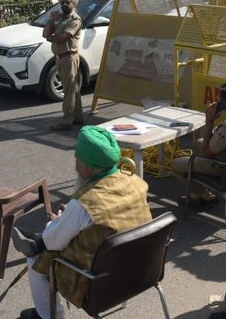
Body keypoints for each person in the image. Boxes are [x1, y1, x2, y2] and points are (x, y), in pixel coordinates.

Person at [12, 126, 152, 319]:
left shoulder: (84, 204)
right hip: (140, 271)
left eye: (77, 158)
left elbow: (53, 241)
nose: (75, 164)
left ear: (88, 167)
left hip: (98, 284)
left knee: (36, 256)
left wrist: (60, 220)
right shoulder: (136, 182)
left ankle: (49, 316)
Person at [44, 0, 83, 131]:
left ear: (73, 4)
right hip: (59, 57)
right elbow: (45, 33)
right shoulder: (58, 18)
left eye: (68, 2)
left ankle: (67, 121)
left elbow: (62, 38)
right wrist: (50, 21)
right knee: (74, 89)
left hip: (69, 57)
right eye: (62, 2)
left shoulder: (75, 20)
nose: (65, 5)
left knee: (68, 90)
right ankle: (78, 117)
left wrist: (51, 38)